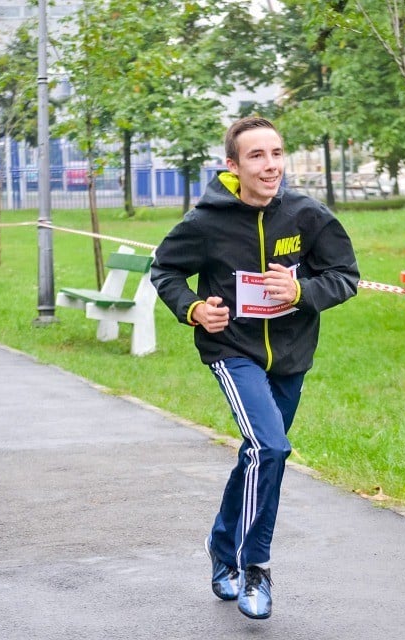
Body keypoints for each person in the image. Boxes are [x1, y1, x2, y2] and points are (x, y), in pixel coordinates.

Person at [150, 116, 359, 619]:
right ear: (233, 166)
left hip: (290, 358)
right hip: (233, 351)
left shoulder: (308, 216)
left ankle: (221, 546)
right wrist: (195, 309)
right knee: (270, 446)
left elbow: (346, 277)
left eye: (277, 154)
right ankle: (254, 567)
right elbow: (165, 269)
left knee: (258, 455)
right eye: (257, 157)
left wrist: (303, 291)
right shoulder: (207, 221)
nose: (270, 166)